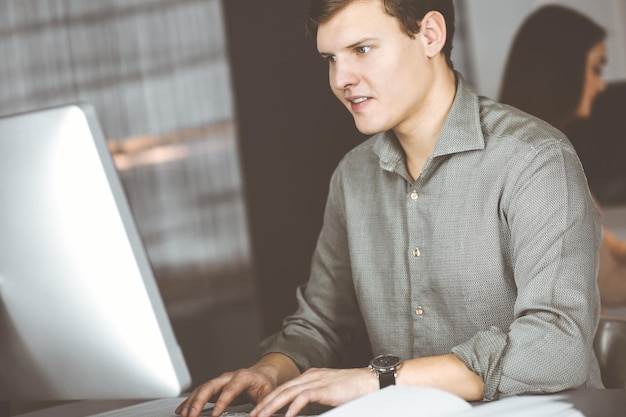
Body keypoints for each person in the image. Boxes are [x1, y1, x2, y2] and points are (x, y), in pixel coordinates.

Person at [177, 1, 603, 416]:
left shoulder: (534, 157)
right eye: (330, 58)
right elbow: (321, 323)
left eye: (362, 50)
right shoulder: (354, 175)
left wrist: (381, 379)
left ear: (430, 35)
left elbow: (557, 345)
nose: (341, 78)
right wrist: (270, 371)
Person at [499, 4, 626, 307]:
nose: (600, 85)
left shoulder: (514, 147)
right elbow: (607, 286)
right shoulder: (544, 163)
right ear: (563, 70)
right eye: (596, 68)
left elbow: (599, 249)